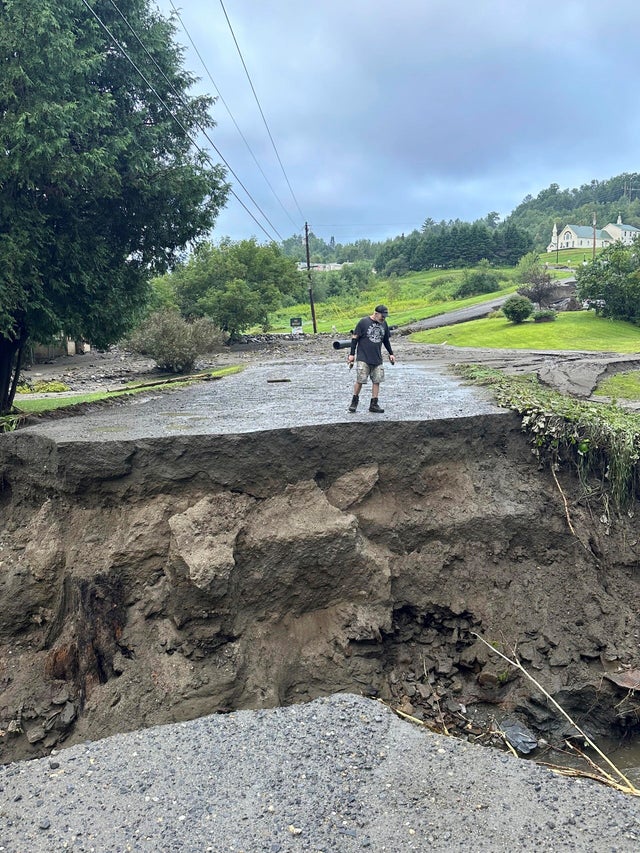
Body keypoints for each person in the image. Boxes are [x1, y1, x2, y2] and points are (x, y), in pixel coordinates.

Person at [347, 305, 395, 413]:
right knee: (360, 379)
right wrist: (351, 354)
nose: (383, 318)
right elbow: (354, 339)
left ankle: (374, 404)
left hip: (377, 357)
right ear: (376, 313)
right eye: (382, 316)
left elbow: (386, 340)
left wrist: (391, 353)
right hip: (363, 357)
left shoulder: (384, 324)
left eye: (385, 316)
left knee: (377, 380)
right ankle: (354, 401)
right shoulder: (363, 322)